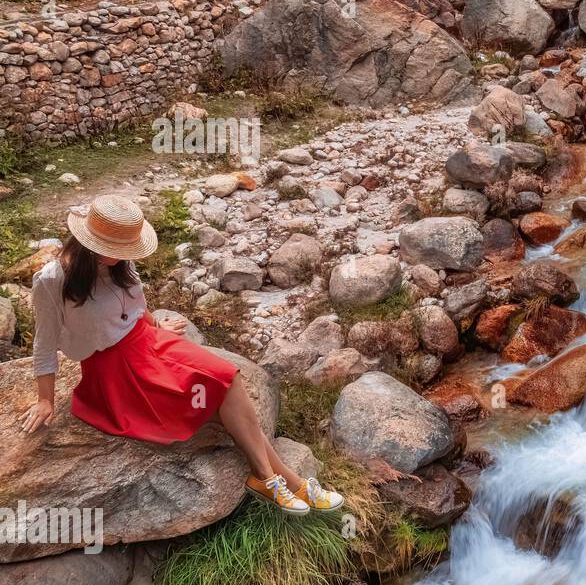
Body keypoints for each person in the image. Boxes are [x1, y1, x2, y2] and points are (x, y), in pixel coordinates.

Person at [19, 194, 344, 517]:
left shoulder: (119, 263)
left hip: (148, 343)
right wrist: (45, 399)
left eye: (125, 251)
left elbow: (134, 308)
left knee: (226, 380)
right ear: (88, 240)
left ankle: (273, 479)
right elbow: (45, 344)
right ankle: (285, 481)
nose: (120, 257)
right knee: (219, 399)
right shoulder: (52, 280)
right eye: (115, 251)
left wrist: (157, 325)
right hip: (114, 372)